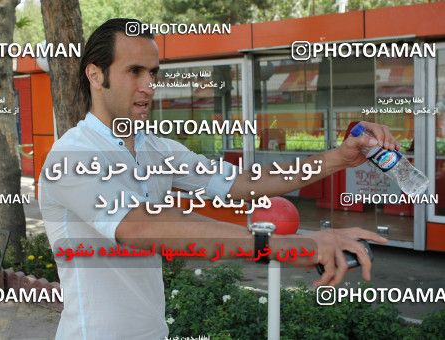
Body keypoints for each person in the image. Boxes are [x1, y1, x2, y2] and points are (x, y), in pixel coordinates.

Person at [38, 18, 397, 340]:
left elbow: (243, 182)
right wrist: (294, 247)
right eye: (134, 71)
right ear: (95, 74)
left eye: (153, 73)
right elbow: (144, 227)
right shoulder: (72, 154)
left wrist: (340, 157)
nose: (149, 85)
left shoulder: (158, 150)